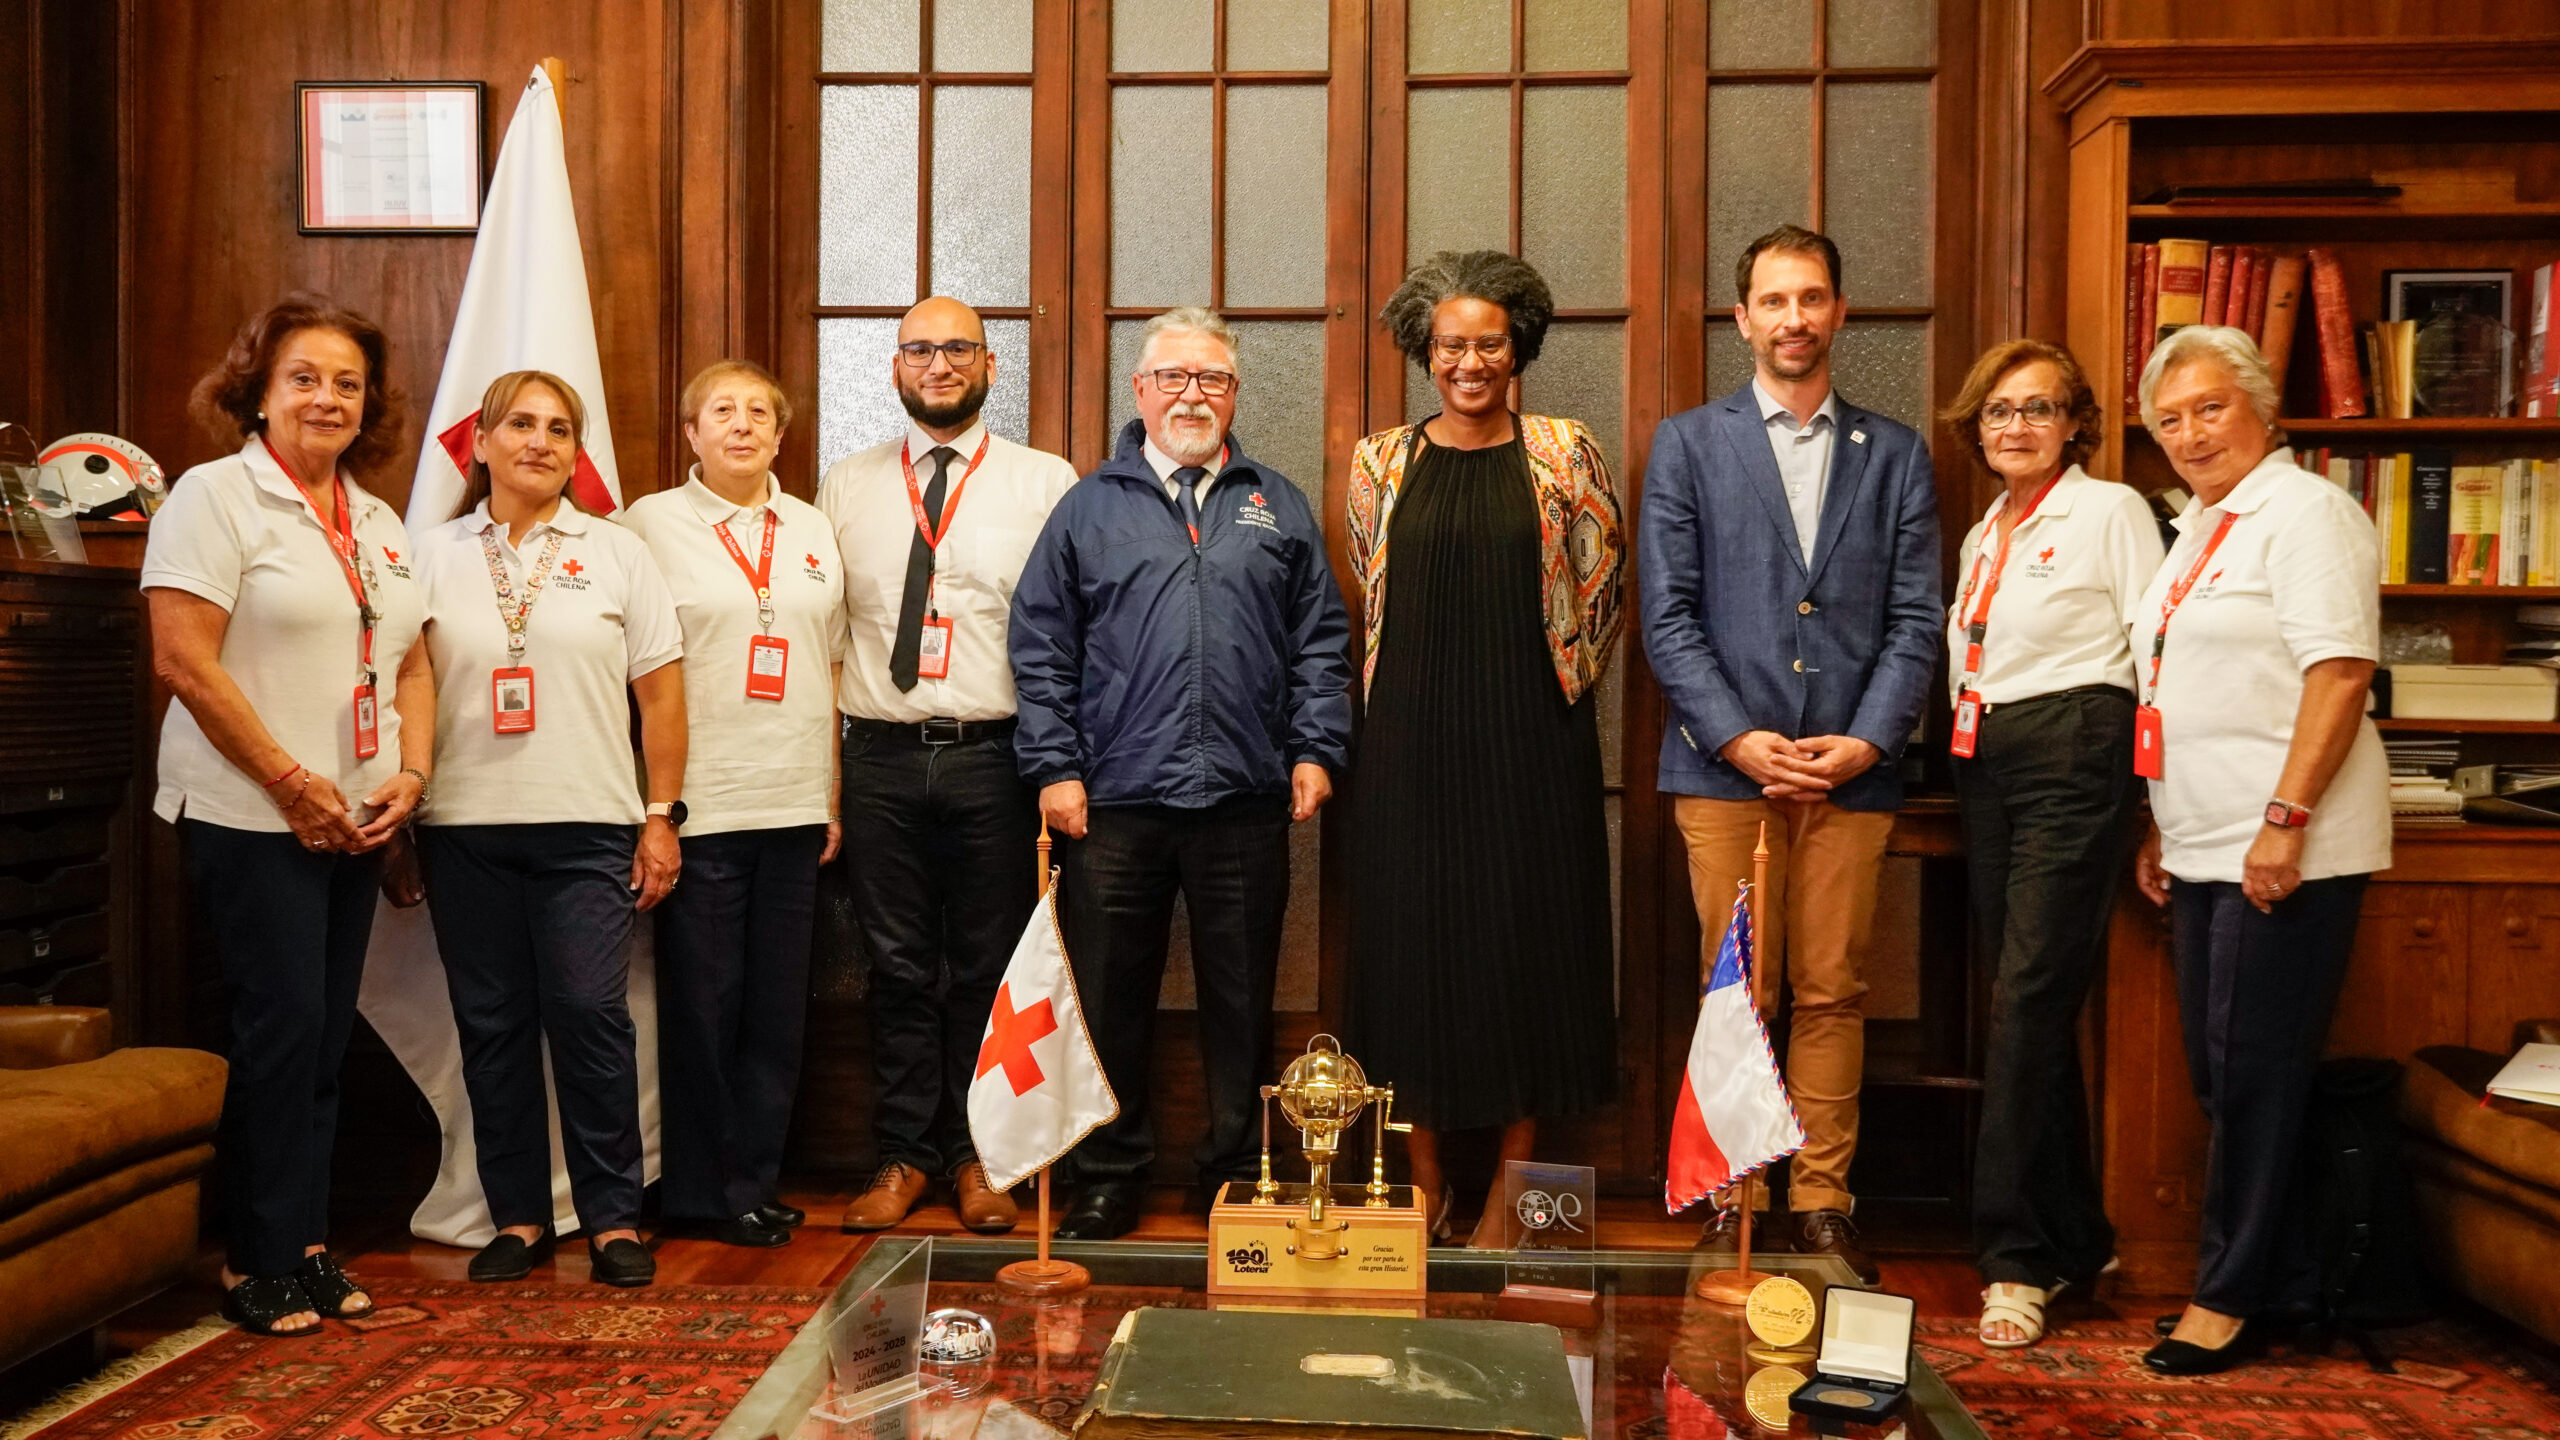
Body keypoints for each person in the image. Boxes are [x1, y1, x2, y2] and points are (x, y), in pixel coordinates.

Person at [1637, 224, 1942, 1285]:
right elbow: (1666, 616)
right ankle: (1737, 1194)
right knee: (1739, 990)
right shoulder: (1688, 444)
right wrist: (1737, 736)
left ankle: (1819, 1200)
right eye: (1773, 301)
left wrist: (1864, 739)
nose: (1793, 319)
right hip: (1724, 771)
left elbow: (1916, 618)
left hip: (1851, 774)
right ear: (1743, 318)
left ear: (1838, 313)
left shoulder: (1894, 454)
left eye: (1811, 298)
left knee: (1829, 989)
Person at [1010, 306, 1354, 1241]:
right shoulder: (1089, 505)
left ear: (1234, 394)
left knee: (1241, 999)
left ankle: (1237, 1172)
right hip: (1113, 801)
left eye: (1211, 379)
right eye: (1173, 378)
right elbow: (1041, 646)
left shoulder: (1273, 501)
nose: (1192, 395)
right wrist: (1054, 767)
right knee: (1109, 998)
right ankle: (1108, 1176)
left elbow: (1322, 642)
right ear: (1141, 391)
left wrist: (1317, 747)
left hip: (1244, 797)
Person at [144, 299, 430, 1336]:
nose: (327, 397)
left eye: (347, 383)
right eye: (305, 377)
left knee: (318, 1044)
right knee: (278, 1034)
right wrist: (290, 782)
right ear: (258, 390)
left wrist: (414, 775)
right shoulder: (214, 499)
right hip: (252, 814)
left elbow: (409, 659)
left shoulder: (380, 520)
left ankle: (305, 1244)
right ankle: (255, 1257)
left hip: (354, 819)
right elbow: (182, 660)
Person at [1342, 251, 1623, 1246]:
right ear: (1425, 352)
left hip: (1530, 743)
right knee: (1409, 954)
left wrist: (1539, 699)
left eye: (1488, 344)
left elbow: (1597, 599)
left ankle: (1511, 1186)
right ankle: (1419, 1185)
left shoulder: (1564, 453)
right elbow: (1368, 592)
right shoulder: (1379, 463)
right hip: (1407, 747)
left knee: (1526, 949)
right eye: (1450, 345)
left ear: (1518, 350)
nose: (1468, 362)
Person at [2127, 325, 2390, 1377]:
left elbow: (2337, 674)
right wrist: (2161, 819)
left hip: (2286, 844)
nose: (2190, 433)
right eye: (2170, 419)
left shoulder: (2307, 514)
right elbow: (2180, 686)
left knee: (2252, 1076)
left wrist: (2283, 822)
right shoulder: (2200, 526)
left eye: (2209, 408)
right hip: (2200, 839)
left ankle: (2229, 1297)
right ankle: (2274, 1280)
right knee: (2221, 1071)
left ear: (2263, 410)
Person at [411, 370, 687, 1289]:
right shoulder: (429, 554)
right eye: (519, 425)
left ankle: (612, 1219)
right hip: (462, 826)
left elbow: (662, 697)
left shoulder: (617, 553)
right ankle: (520, 1217)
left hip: (590, 823)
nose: (539, 442)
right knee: (491, 1027)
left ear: (578, 452)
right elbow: (398, 686)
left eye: (559, 429)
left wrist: (660, 817)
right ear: (479, 442)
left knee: (590, 1017)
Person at [818, 298, 1077, 1233]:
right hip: (880, 754)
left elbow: (1067, 635)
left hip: (992, 758)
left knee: (985, 967)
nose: (939, 365)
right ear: (895, 367)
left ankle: (979, 1159)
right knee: (893, 966)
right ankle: (902, 1156)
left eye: (957, 349)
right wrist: (831, 785)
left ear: (990, 365)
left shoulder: (1045, 482)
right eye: (920, 350)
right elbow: (825, 644)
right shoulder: (843, 486)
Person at [1936, 340, 2164, 1348]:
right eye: (1996, 412)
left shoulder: (2110, 511)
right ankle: (2076, 1237)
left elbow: (2158, 656)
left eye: (2037, 408)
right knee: (2025, 999)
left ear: (2075, 422)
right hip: (1986, 759)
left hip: (2078, 744)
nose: (2014, 426)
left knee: (2026, 999)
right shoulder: (1987, 528)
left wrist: (2157, 805)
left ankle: (2012, 1261)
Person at [623, 361, 844, 1249]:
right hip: (702, 806)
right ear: (692, 433)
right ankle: (700, 1192)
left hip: (793, 803)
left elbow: (830, 668)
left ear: (781, 436)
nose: (743, 425)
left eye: (760, 412)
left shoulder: (813, 529)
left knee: (775, 1011)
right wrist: (656, 808)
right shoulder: (648, 527)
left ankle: (753, 1179)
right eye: (723, 411)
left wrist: (831, 794)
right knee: (703, 1007)